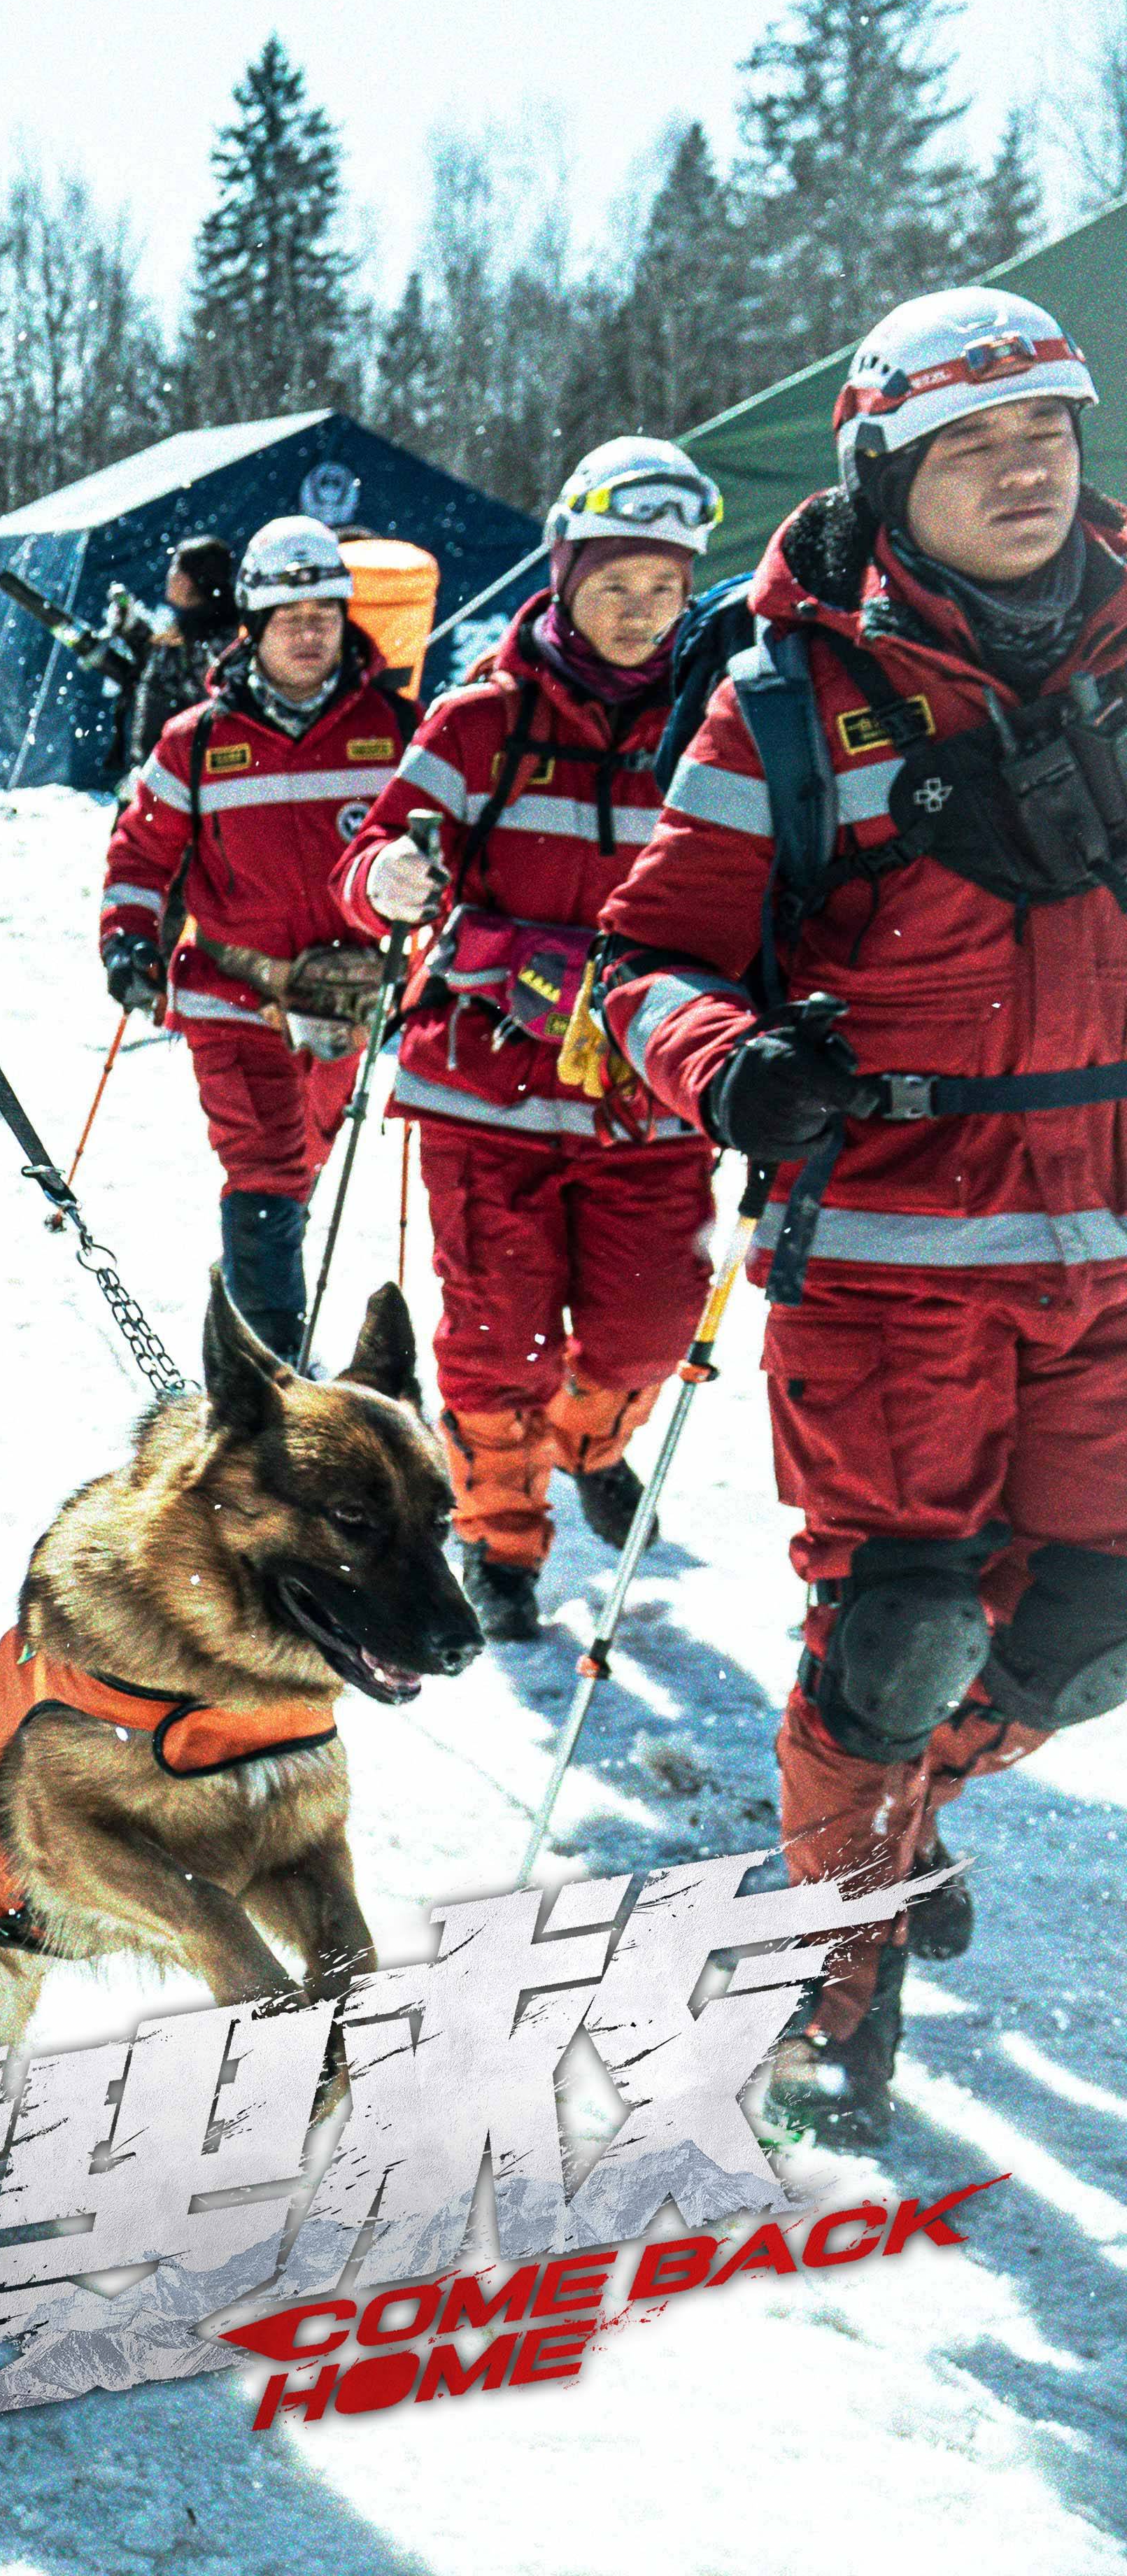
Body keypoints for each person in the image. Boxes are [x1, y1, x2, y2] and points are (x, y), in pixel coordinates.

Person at [597, 285, 1127, 2146]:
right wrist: (732, 1062)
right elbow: (644, 960)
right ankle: (842, 1972)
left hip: (1111, 1233)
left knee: (1093, 1622)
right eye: (972, 448)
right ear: (888, 479)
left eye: (1046, 435)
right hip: (893, 1248)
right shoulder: (785, 700)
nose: (1024, 472)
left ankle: (895, 1817)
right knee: (896, 1632)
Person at [337, 437, 725, 1641]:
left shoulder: (718, 722)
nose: (640, 613)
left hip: (647, 1092)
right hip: (485, 1085)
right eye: (616, 585)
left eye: (665, 589)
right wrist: (388, 878)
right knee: (496, 1332)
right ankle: (500, 1535)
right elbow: (366, 870)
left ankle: (587, 1443)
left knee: (651, 1322)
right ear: (562, 575)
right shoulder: (479, 722)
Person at [97, 514, 406, 1365]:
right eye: (288, 619)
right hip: (229, 994)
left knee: (299, 1165)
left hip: (343, 999)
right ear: (254, 629)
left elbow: (443, 856)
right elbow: (140, 851)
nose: (308, 635)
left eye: (324, 616)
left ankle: (249, 1286)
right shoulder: (195, 742)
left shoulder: (397, 730)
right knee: (264, 1169)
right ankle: (267, 1378)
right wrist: (129, 939)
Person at [118, 533, 239, 792]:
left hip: (186, 776)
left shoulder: (207, 641)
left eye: (175, 567)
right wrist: (133, 630)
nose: (169, 575)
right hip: (171, 770)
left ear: (190, 580)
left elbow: (180, 696)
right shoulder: (194, 631)